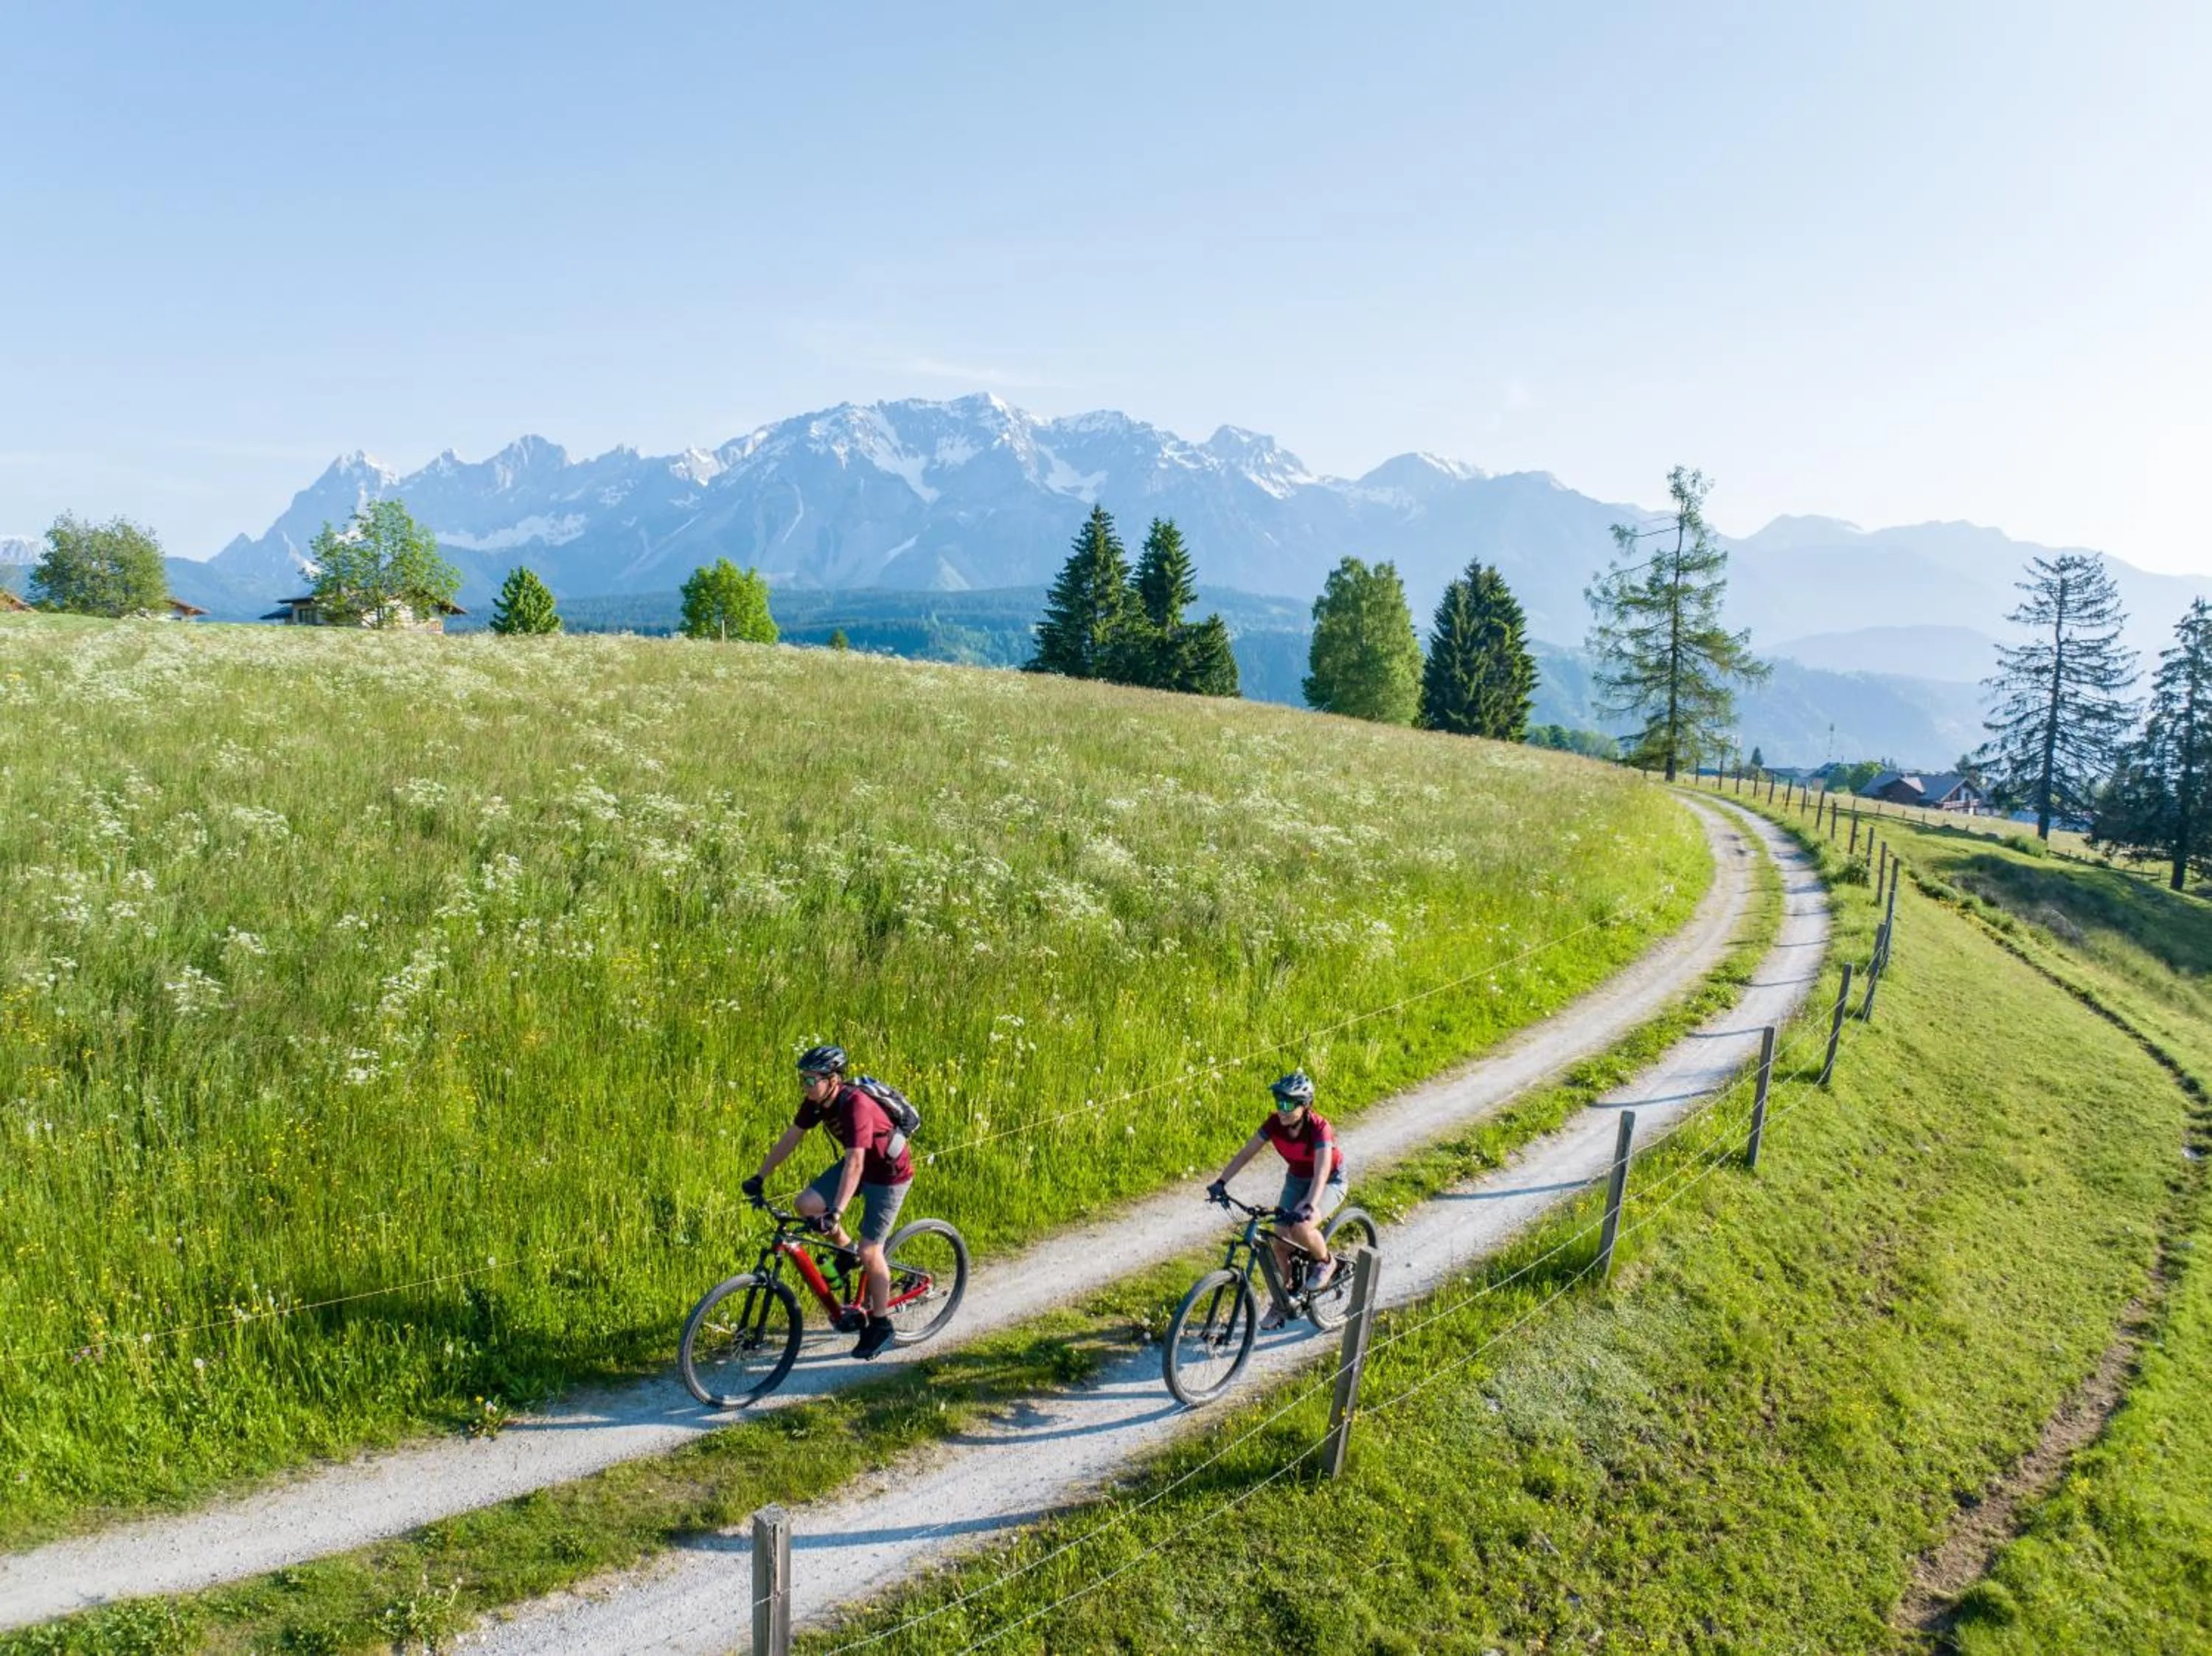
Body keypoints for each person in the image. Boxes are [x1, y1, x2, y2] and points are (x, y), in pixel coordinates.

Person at [742, 1044, 913, 1360]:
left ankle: (881, 1325)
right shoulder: (816, 1103)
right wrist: (760, 1176)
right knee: (806, 1204)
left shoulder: (856, 1105)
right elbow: (790, 1139)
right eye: (802, 1080)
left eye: (810, 1080)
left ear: (833, 1079)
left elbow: (856, 1164)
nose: (805, 1086)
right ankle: (848, 1255)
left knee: (871, 1250)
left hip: (889, 1172)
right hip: (859, 1165)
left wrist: (837, 1212)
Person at [1205, 1070, 1347, 1329]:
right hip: (1297, 1178)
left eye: (1287, 1104)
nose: (1281, 1110)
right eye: (1278, 1102)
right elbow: (1246, 1154)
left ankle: (1328, 1262)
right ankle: (1284, 1298)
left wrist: (1310, 1204)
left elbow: (1322, 1170)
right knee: (1279, 1239)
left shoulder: (1319, 1128)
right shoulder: (1274, 1124)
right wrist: (1221, 1182)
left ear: (1304, 1106)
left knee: (1302, 1227)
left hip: (1328, 1181)